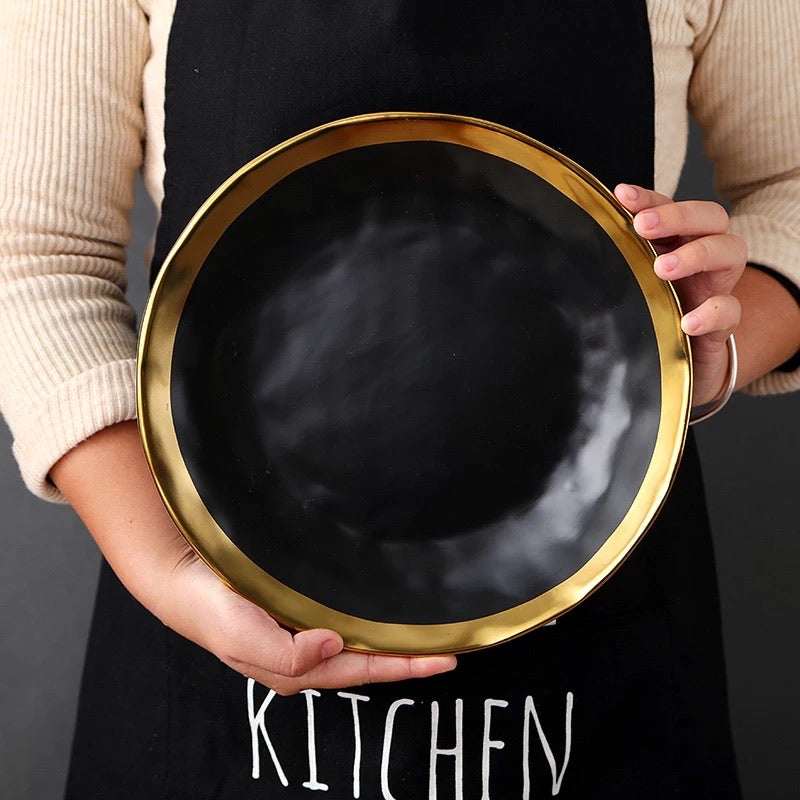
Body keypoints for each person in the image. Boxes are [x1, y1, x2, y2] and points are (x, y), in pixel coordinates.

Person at [1, 0, 798, 797]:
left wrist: (708, 352)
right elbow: (35, 258)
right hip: (208, 632)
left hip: (603, 633)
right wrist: (171, 568)